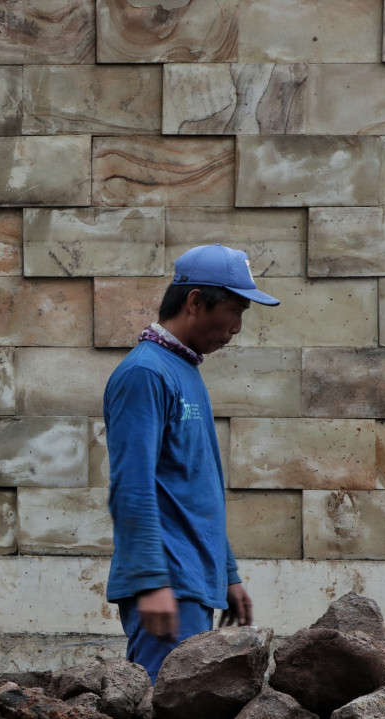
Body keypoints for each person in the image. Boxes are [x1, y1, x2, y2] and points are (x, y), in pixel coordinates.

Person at [103, 244, 280, 683]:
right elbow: (132, 487)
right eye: (235, 311)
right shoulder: (145, 373)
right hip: (168, 584)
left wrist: (228, 573)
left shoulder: (184, 370)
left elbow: (195, 485)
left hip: (191, 581)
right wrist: (150, 581)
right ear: (196, 301)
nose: (238, 328)